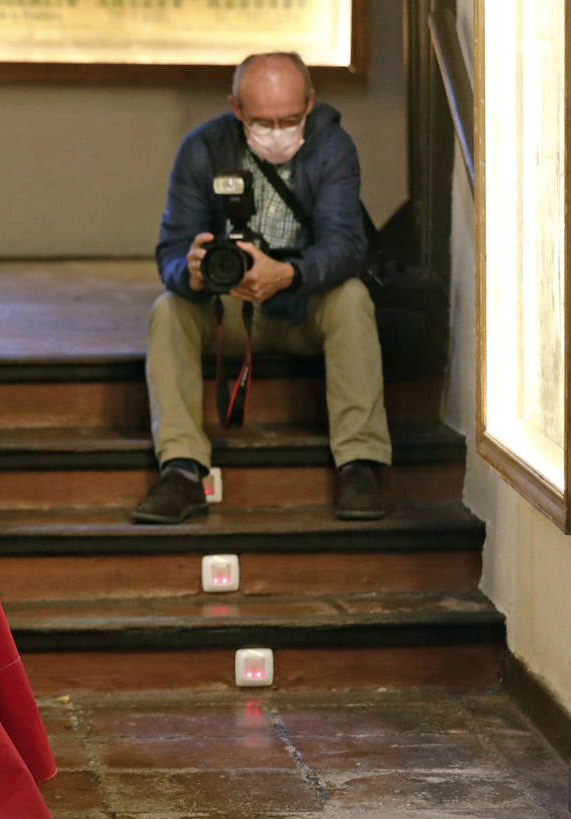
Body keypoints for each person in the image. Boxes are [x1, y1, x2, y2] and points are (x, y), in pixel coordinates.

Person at [132, 51, 391, 524]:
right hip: (228, 311)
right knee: (169, 309)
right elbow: (170, 250)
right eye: (262, 122)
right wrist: (189, 274)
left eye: (290, 119)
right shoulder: (203, 148)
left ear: (311, 102)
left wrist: (288, 274)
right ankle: (182, 469)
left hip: (305, 305)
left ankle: (359, 464)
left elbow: (346, 246)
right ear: (236, 109)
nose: (277, 132)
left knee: (352, 297)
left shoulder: (332, 147)